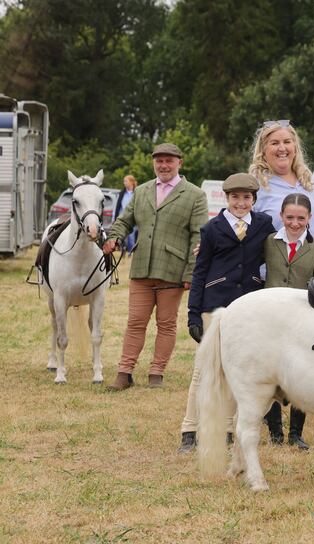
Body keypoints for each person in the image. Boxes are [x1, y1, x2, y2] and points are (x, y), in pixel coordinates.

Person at [178, 173, 275, 453]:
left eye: (246, 198)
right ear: (226, 198)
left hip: (248, 307)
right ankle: (190, 429)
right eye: (235, 197)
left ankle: (230, 429)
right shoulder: (212, 229)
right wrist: (194, 314)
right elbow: (200, 273)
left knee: (238, 370)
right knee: (205, 371)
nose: (240, 203)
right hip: (215, 303)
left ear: (254, 200)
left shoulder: (264, 225)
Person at [103, 143, 208, 391]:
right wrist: (114, 237)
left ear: (179, 163)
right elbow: (124, 221)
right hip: (141, 268)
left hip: (173, 270)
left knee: (166, 323)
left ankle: (156, 373)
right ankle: (124, 372)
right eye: (159, 161)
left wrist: (191, 272)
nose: (163, 165)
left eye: (169, 160)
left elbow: (199, 237)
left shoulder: (194, 195)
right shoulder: (141, 191)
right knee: (135, 321)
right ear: (154, 163)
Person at [262, 193, 314, 450]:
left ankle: (296, 433)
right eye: (289, 217)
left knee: (300, 375)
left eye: (301, 218)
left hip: (301, 318)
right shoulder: (268, 242)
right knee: (271, 373)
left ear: (310, 218)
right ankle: (275, 432)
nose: (295, 223)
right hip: (271, 316)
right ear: (281, 216)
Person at [248, 120, 314, 242]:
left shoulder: (310, 182)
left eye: (287, 142)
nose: (282, 148)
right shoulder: (255, 186)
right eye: (275, 143)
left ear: (295, 147)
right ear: (263, 150)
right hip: (276, 261)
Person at [114, 175, 138, 254]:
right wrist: (114, 218)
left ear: (131, 182)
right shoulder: (121, 193)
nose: (124, 183)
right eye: (124, 181)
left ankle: (131, 253)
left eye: (126, 181)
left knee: (131, 237)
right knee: (122, 236)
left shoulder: (136, 193)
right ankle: (122, 252)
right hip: (122, 218)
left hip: (132, 218)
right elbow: (117, 207)